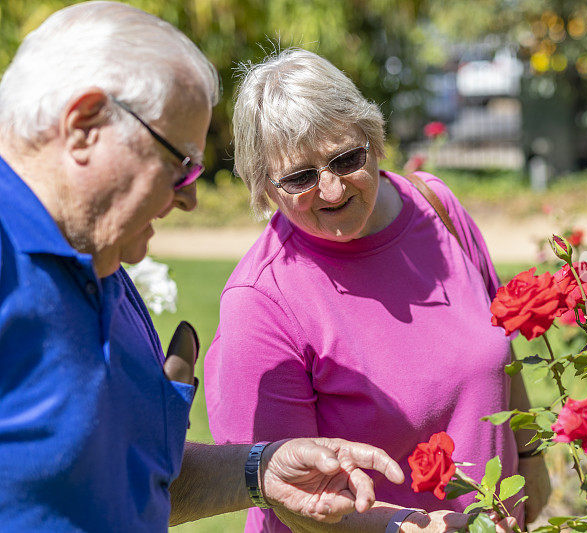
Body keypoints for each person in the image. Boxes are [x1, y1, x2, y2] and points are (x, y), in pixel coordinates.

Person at [0, 3, 406, 531]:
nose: (188, 200)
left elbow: (134, 480)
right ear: (85, 127)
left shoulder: (102, 270)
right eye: (179, 166)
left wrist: (258, 470)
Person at [204, 48, 551, 532]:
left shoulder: (435, 207)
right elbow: (286, 499)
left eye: (346, 159)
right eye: (300, 177)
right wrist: (404, 527)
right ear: (264, 186)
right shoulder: (261, 300)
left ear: (372, 137)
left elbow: (501, 346)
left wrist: (532, 456)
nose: (331, 190)